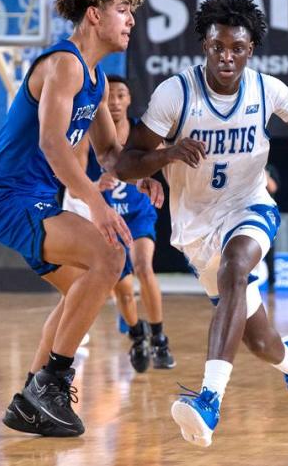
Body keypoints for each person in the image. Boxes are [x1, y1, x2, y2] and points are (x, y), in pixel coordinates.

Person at [115, 0, 288, 447]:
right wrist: (169, 154)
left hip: (249, 207)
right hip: (196, 228)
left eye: (237, 48)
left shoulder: (266, 89)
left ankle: (209, 400)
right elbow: (125, 162)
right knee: (260, 343)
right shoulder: (175, 94)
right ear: (205, 45)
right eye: (218, 46)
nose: (226, 57)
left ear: (250, 50)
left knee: (237, 265)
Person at [0, 0, 153, 438]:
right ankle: (52, 382)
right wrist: (95, 204)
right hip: (11, 197)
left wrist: (154, 168)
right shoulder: (66, 63)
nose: (131, 21)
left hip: (33, 200)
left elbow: (112, 155)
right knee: (110, 254)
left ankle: (28, 401)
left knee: (82, 285)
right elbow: (53, 143)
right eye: (123, 10)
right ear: (94, 15)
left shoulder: (93, 80)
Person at [62, 74, 175, 372]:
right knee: (122, 289)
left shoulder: (143, 131)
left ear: (129, 100)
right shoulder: (88, 133)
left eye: (120, 95)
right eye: (109, 95)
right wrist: (94, 185)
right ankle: (137, 336)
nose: (113, 101)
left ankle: (159, 337)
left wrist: (151, 177)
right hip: (110, 215)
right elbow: (73, 182)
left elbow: (166, 160)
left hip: (139, 212)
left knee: (143, 267)